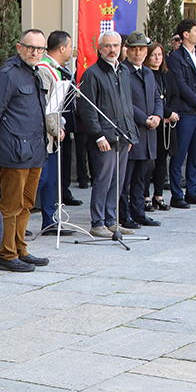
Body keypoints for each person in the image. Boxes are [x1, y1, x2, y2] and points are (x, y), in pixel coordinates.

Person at [0, 29, 49, 272]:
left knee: (27, 203)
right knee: (10, 206)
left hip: (34, 151)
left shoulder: (35, 74)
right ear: (19, 47)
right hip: (13, 153)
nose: (35, 52)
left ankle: (21, 249)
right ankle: (7, 255)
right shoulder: (8, 75)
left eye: (40, 49)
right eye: (30, 47)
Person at [78, 30, 139, 237]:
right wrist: (98, 135)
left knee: (118, 181)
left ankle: (112, 221)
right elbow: (87, 109)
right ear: (100, 49)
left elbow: (127, 105)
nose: (112, 50)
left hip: (122, 136)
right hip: (104, 138)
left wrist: (130, 133)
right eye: (107, 46)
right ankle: (97, 223)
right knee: (103, 180)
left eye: (116, 45)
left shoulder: (123, 71)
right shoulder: (92, 74)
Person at [167, 19, 196, 207]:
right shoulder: (176, 58)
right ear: (186, 34)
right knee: (179, 155)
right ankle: (177, 194)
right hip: (186, 112)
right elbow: (181, 85)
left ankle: (193, 191)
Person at [34, 30, 75, 237]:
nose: (71, 51)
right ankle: (16, 222)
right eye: (70, 47)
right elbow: (47, 106)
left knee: (51, 179)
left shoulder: (57, 69)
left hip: (54, 133)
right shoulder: (44, 70)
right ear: (61, 48)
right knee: (40, 179)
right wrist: (55, 127)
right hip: (44, 135)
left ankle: (49, 220)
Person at [122, 31, 162, 228]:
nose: (138, 53)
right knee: (125, 178)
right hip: (133, 129)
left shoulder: (148, 72)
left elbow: (156, 97)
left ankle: (139, 213)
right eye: (134, 49)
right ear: (127, 51)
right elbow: (125, 102)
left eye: (141, 49)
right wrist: (145, 118)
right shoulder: (123, 72)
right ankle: (124, 214)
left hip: (148, 132)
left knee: (141, 176)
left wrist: (158, 115)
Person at [144, 41, 177, 211]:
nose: (157, 58)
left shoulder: (167, 74)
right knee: (149, 162)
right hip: (152, 123)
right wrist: (163, 114)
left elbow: (175, 96)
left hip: (167, 126)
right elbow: (150, 100)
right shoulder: (146, 74)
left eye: (160, 55)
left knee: (162, 161)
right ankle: (146, 196)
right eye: (153, 55)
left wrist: (171, 114)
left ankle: (159, 195)